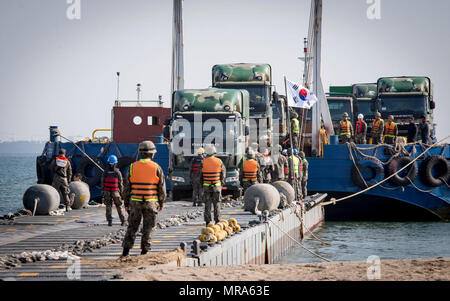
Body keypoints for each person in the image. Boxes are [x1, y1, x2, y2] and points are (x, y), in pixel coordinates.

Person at [121, 141, 166, 257]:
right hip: (151, 202)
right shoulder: (157, 168)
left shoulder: (132, 167)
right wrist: (161, 202)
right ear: (152, 154)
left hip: (135, 202)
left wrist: (126, 203)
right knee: (149, 227)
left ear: (140, 153)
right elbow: (161, 188)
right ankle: (144, 251)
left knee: (132, 226)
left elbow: (127, 188)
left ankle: (126, 251)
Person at [200, 144, 226, 225]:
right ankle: (217, 220)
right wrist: (221, 183)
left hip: (206, 187)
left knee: (207, 204)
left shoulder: (203, 161)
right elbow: (223, 174)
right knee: (217, 204)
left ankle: (208, 222)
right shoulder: (219, 161)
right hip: (217, 186)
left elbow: (200, 175)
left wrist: (202, 185)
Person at [101, 155, 126, 227]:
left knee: (108, 206)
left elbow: (102, 182)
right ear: (116, 163)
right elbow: (120, 183)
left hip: (107, 191)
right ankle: (123, 221)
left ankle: (109, 221)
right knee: (119, 206)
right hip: (115, 191)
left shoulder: (105, 172)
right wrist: (121, 193)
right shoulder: (118, 172)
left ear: (108, 163)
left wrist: (102, 191)